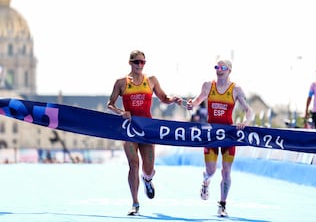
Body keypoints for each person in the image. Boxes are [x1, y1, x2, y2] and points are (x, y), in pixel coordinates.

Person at [107, 50, 182, 216]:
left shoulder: (151, 80)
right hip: (129, 129)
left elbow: (163, 98)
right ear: (130, 63)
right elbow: (110, 104)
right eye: (136, 62)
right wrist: (120, 112)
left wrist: (173, 99)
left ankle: (147, 179)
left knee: (148, 168)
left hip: (147, 129)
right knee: (133, 164)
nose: (139, 65)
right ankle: (135, 203)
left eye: (142, 62)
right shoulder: (121, 82)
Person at [186, 59, 254, 217]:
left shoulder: (235, 89)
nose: (219, 70)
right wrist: (191, 105)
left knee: (226, 171)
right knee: (211, 170)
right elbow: (197, 100)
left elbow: (249, 110)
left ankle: (222, 205)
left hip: (228, 135)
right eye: (217, 67)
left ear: (229, 70)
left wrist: (245, 122)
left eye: (223, 67)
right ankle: (206, 181)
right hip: (211, 134)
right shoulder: (208, 85)